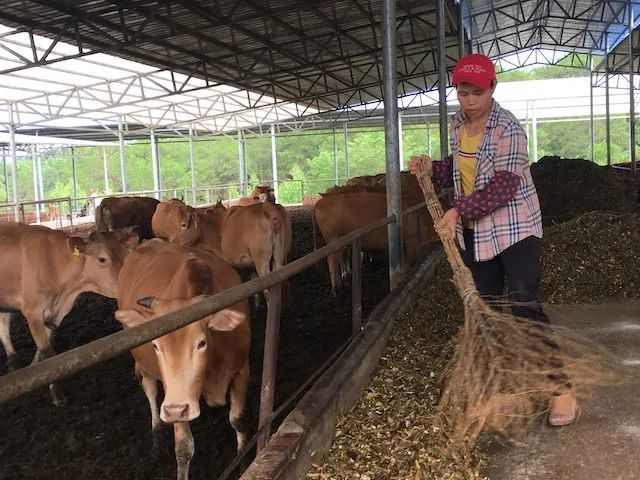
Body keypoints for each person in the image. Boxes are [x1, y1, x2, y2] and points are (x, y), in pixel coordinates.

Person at [409, 53, 577, 427]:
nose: (469, 100)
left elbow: (502, 186)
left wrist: (456, 212)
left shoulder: (508, 129)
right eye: (463, 92)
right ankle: (504, 388)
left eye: (477, 93)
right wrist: (431, 169)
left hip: (515, 228)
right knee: (487, 310)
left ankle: (561, 389)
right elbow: (460, 168)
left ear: (493, 88)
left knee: (523, 304)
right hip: (479, 233)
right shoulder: (458, 124)